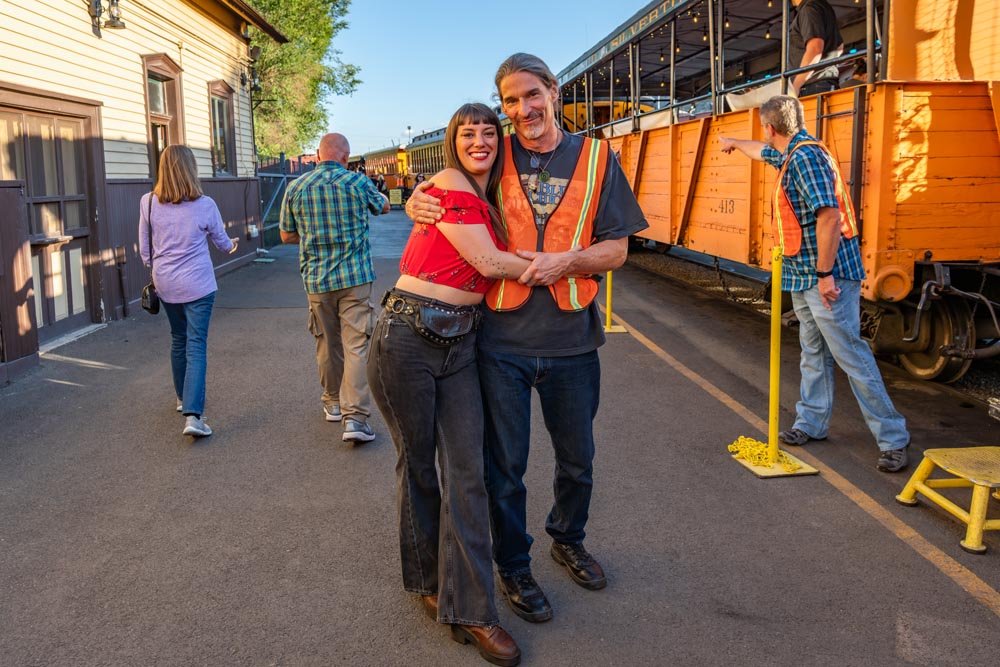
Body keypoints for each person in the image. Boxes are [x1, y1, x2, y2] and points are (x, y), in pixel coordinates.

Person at [407, 53, 648, 622]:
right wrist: (420, 196)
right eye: (510, 102)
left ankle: (568, 537)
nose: (522, 111)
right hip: (500, 341)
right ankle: (515, 564)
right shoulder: (493, 151)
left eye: (530, 96)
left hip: (572, 341)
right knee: (505, 467)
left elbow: (617, 249)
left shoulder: (595, 157)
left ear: (553, 91)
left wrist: (567, 261)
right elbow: (449, 181)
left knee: (578, 459)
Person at [368, 103, 527, 666]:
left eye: (489, 132)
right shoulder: (450, 183)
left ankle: (475, 609)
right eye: (468, 132)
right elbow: (489, 262)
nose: (479, 140)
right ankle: (426, 582)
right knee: (417, 465)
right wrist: (569, 262)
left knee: (468, 474)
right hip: (407, 336)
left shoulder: (487, 195)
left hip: (461, 342)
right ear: (454, 142)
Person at [720, 95, 910, 472]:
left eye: (763, 130)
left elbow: (829, 217)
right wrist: (736, 144)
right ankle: (812, 422)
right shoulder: (792, 152)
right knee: (813, 351)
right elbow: (763, 153)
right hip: (802, 273)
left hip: (824, 275)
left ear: (770, 127)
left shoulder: (805, 158)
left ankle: (893, 438)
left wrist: (825, 275)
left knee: (850, 355)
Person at [280, 133, 390, 443]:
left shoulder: (296, 187)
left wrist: (315, 236)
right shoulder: (357, 183)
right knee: (356, 345)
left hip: (316, 279)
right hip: (355, 278)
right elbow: (382, 207)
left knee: (327, 342)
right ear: (345, 157)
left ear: (318, 156)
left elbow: (286, 235)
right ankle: (355, 419)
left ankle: (332, 402)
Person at [139, 145, 238, 438]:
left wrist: (157, 269)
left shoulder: (148, 202)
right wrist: (232, 244)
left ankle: (183, 398)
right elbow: (222, 242)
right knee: (196, 345)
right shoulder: (205, 204)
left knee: (178, 339)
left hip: (166, 283)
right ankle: (193, 416)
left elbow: (145, 251)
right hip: (198, 285)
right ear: (191, 169)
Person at [789, 0, 845, 96]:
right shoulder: (822, 6)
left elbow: (815, 49)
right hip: (825, 82)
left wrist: (795, 86)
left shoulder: (808, 9)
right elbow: (839, 47)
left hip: (811, 86)